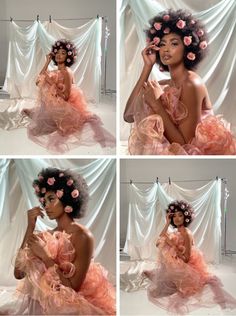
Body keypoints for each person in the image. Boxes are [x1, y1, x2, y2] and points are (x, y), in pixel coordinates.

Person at [123, 9, 236, 155]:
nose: (166, 49)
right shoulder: (166, 84)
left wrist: (157, 104)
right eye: (162, 44)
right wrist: (147, 67)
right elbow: (128, 116)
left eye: (174, 43)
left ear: (187, 48)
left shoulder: (192, 83)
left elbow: (186, 146)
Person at [13, 167, 116, 315]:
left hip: (68, 307)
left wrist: (45, 257)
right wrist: (30, 227)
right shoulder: (46, 236)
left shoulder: (82, 236)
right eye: (44, 201)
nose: (46, 205)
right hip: (42, 307)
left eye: (51, 199)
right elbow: (18, 273)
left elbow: (72, 288)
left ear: (67, 199)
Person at [143, 200, 236, 314]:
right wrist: (167, 223)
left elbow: (186, 259)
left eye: (180, 215)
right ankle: (161, 279)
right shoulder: (176, 232)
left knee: (188, 288)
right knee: (164, 247)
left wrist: (172, 244)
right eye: (174, 216)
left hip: (189, 265)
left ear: (186, 217)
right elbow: (159, 240)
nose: (177, 218)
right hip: (178, 263)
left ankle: (162, 281)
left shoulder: (186, 233)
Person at [22, 39, 115, 153]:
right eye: (58, 52)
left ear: (68, 57)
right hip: (56, 101)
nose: (59, 55)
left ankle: (46, 116)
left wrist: (52, 84)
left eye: (63, 53)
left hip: (67, 104)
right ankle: (42, 113)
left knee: (41, 128)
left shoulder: (67, 72)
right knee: (44, 91)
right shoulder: (55, 71)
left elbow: (65, 97)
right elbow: (38, 82)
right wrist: (47, 61)